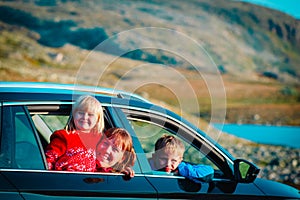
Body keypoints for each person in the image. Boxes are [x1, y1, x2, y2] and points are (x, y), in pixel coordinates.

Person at [45, 95, 105, 172]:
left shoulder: (100, 140)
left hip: (89, 181)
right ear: (73, 115)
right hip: (65, 179)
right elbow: (48, 162)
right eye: (81, 113)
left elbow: (103, 165)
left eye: (90, 114)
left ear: (98, 119)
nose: (85, 117)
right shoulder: (64, 136)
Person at [149, 134, 214, 182]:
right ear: (154, 157)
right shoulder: (145, 168)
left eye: (173, 160)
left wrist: (182, 170)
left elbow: (209, 171)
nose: (168, 164)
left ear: (179, 161)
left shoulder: (181, 168)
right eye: (163, 159)